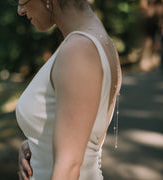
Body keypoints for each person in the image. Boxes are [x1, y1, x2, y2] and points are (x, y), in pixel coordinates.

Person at [13, 0, 122, 179]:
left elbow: (69, 167)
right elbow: (87, 141)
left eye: (22, 0)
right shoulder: (98, 42)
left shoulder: (79, 51)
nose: (20, 10)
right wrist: (38, 145)